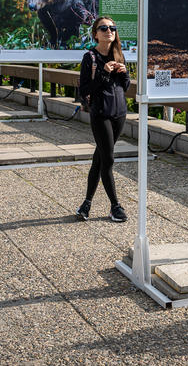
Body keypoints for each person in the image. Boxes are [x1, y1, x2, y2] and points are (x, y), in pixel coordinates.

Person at [76, 16, 131, 222]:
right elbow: (85, 90)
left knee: (99, 158)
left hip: (120, 114)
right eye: (104, 28)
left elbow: (124, 87)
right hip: (100, 115)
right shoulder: (89, 58)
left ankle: (86, 204)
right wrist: (103, 73)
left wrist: (124, 74)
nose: (109, 31)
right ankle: (115, 206)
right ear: (95, 34)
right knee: (108, 159)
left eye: (112, 28)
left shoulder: (119, 55)